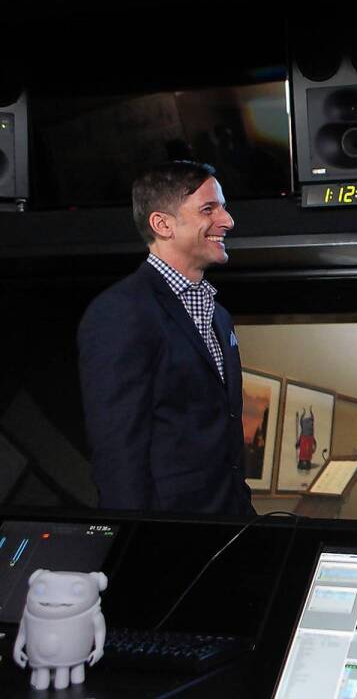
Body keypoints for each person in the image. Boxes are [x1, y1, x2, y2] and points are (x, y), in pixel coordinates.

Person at [78, 160, 252, 515]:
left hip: (230, 531)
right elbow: (117, 454)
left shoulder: (219, 315)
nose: (227, 221)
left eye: (223, 207)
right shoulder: (121, 311)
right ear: (162, 224)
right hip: (167, 541)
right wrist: (139, 546)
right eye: (209, 209)